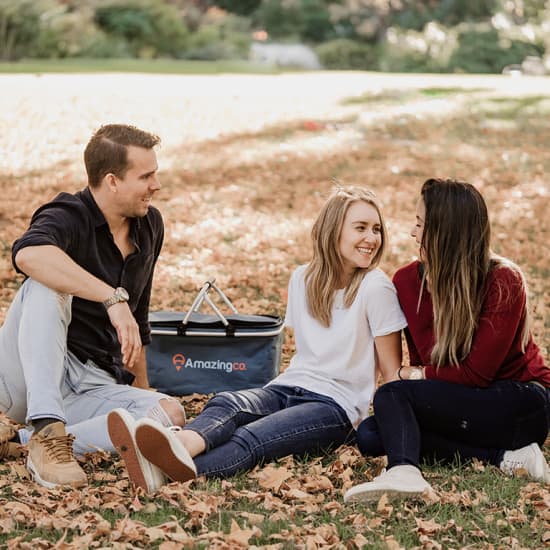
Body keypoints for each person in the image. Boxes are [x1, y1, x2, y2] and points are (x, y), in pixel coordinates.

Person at [106, 186, 408, 489]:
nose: (372, 238)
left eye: (376, 229)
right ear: (333, 230)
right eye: (361, 228)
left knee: (253, 436)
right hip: (288, 386)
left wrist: (397, 440)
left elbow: (391, 376)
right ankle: (178, 446)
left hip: (334, 408)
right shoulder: (303, 278)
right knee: (227, 403)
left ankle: (171, 472)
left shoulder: (375, 288)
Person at [0, 124, 186, 490]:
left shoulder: (149, 225)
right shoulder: (69, 214)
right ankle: (47, 425)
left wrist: (144, 387)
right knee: (46, 283)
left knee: (166, 413)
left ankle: (29, 445)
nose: (156, 185)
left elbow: (139, 317)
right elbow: (28, 254)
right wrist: (110, 297)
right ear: (112, 181)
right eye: (146, 176)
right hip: (24, 374)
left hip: (91, 383)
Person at [345, 178, 550, 503]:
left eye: (420, 224)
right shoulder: (407, 282)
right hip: (462, 403)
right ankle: (508, 458)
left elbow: (475, 375)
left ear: (446, 232)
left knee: (393, 397)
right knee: (371, 434)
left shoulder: (502, 280)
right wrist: (417, 378)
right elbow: (425, 367)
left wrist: (415, 376)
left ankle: (403, 469)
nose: (413, 233)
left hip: (520, 402)